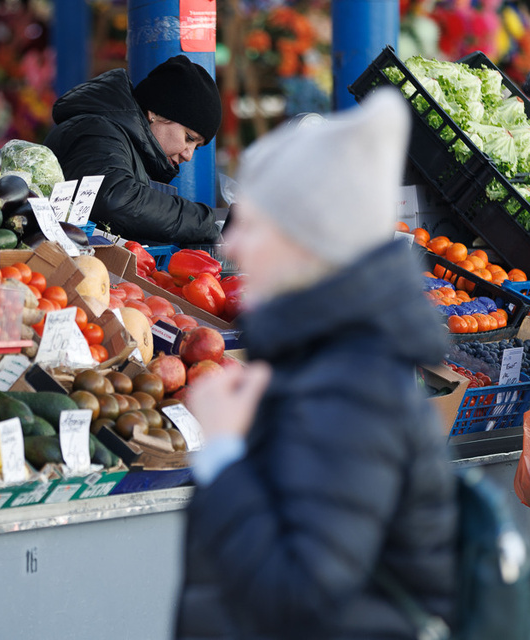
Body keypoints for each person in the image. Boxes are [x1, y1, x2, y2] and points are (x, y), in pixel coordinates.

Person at [173, 90, 457, 640]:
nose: (230, 245)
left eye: (252, 223)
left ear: (307, 242)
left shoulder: (351, 388)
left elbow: (304, 594)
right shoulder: (323, 363)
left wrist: (226, 455)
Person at [44, 54, 221, 244]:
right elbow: (115, 200)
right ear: (156, 113)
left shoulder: (128, 145)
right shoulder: (97, 130)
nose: (188, 154)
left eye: (197, 146)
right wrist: (207, 221)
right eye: (189, 138)